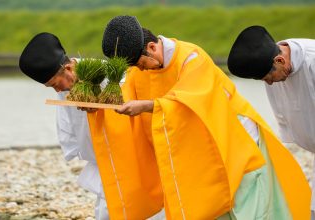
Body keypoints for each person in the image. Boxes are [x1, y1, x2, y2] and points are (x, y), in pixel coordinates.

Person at [94, 15, 311, 219]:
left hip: (235, 138)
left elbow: (189, 102)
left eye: (141, 64)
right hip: (200, 146)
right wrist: (100, 105)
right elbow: (125, 94)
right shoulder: (140, 70)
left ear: (152, 47)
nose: (140, 70)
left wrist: (147, 106)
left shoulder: (191, 58)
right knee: (211, 204)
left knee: (250, 204)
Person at [18, 32, 166, 219]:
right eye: (51, 87)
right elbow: (72, 128)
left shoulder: (111, 76)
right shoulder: (68, 87)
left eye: (56, 83)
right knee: (108, 210)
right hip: (107, 162)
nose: (57, 90)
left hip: (139, 158)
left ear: (69, 68)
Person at [227, 25, 315, 219]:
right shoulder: (276, 69)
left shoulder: (312, 61)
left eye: (268, 77)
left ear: (280, 60)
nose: (268, 83)